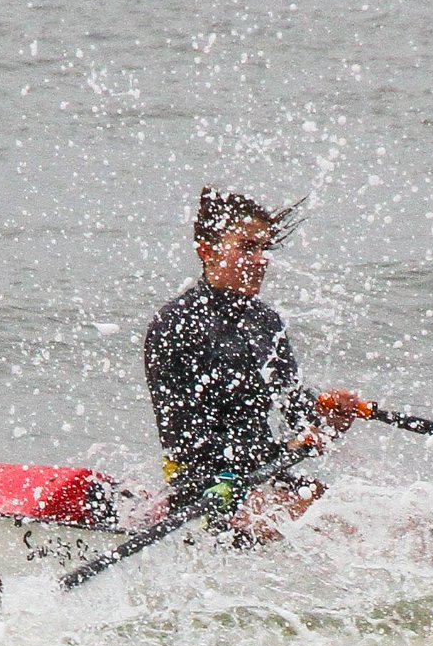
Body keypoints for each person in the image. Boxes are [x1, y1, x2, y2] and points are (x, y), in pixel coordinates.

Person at [144, 187, 365, 532]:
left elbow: (295, 409)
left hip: (264, 479)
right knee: (333, 528)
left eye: (264, 248)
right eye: (248, 247)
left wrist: (327, 414)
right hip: (207, 489)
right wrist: (281, 451)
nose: (262, 259)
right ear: (208, 251)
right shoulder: (175, 323)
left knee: (363, 513)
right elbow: (188, 440)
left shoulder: (266, 322)